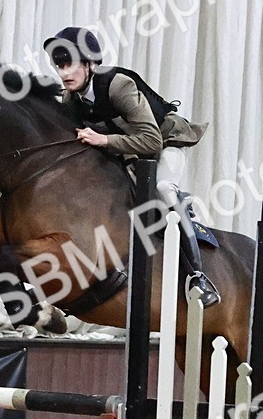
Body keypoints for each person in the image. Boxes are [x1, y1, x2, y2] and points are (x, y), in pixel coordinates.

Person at [43, 26, 218, 306]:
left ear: (89, 64)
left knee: (163, 188)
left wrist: (102, 139)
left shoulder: (117, 84)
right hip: (129, 152)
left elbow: (150, 141)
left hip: (166, 141)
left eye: (70, 65)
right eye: (60, 66)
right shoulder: (71, 98)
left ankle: (198, 276)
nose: (64, 74)